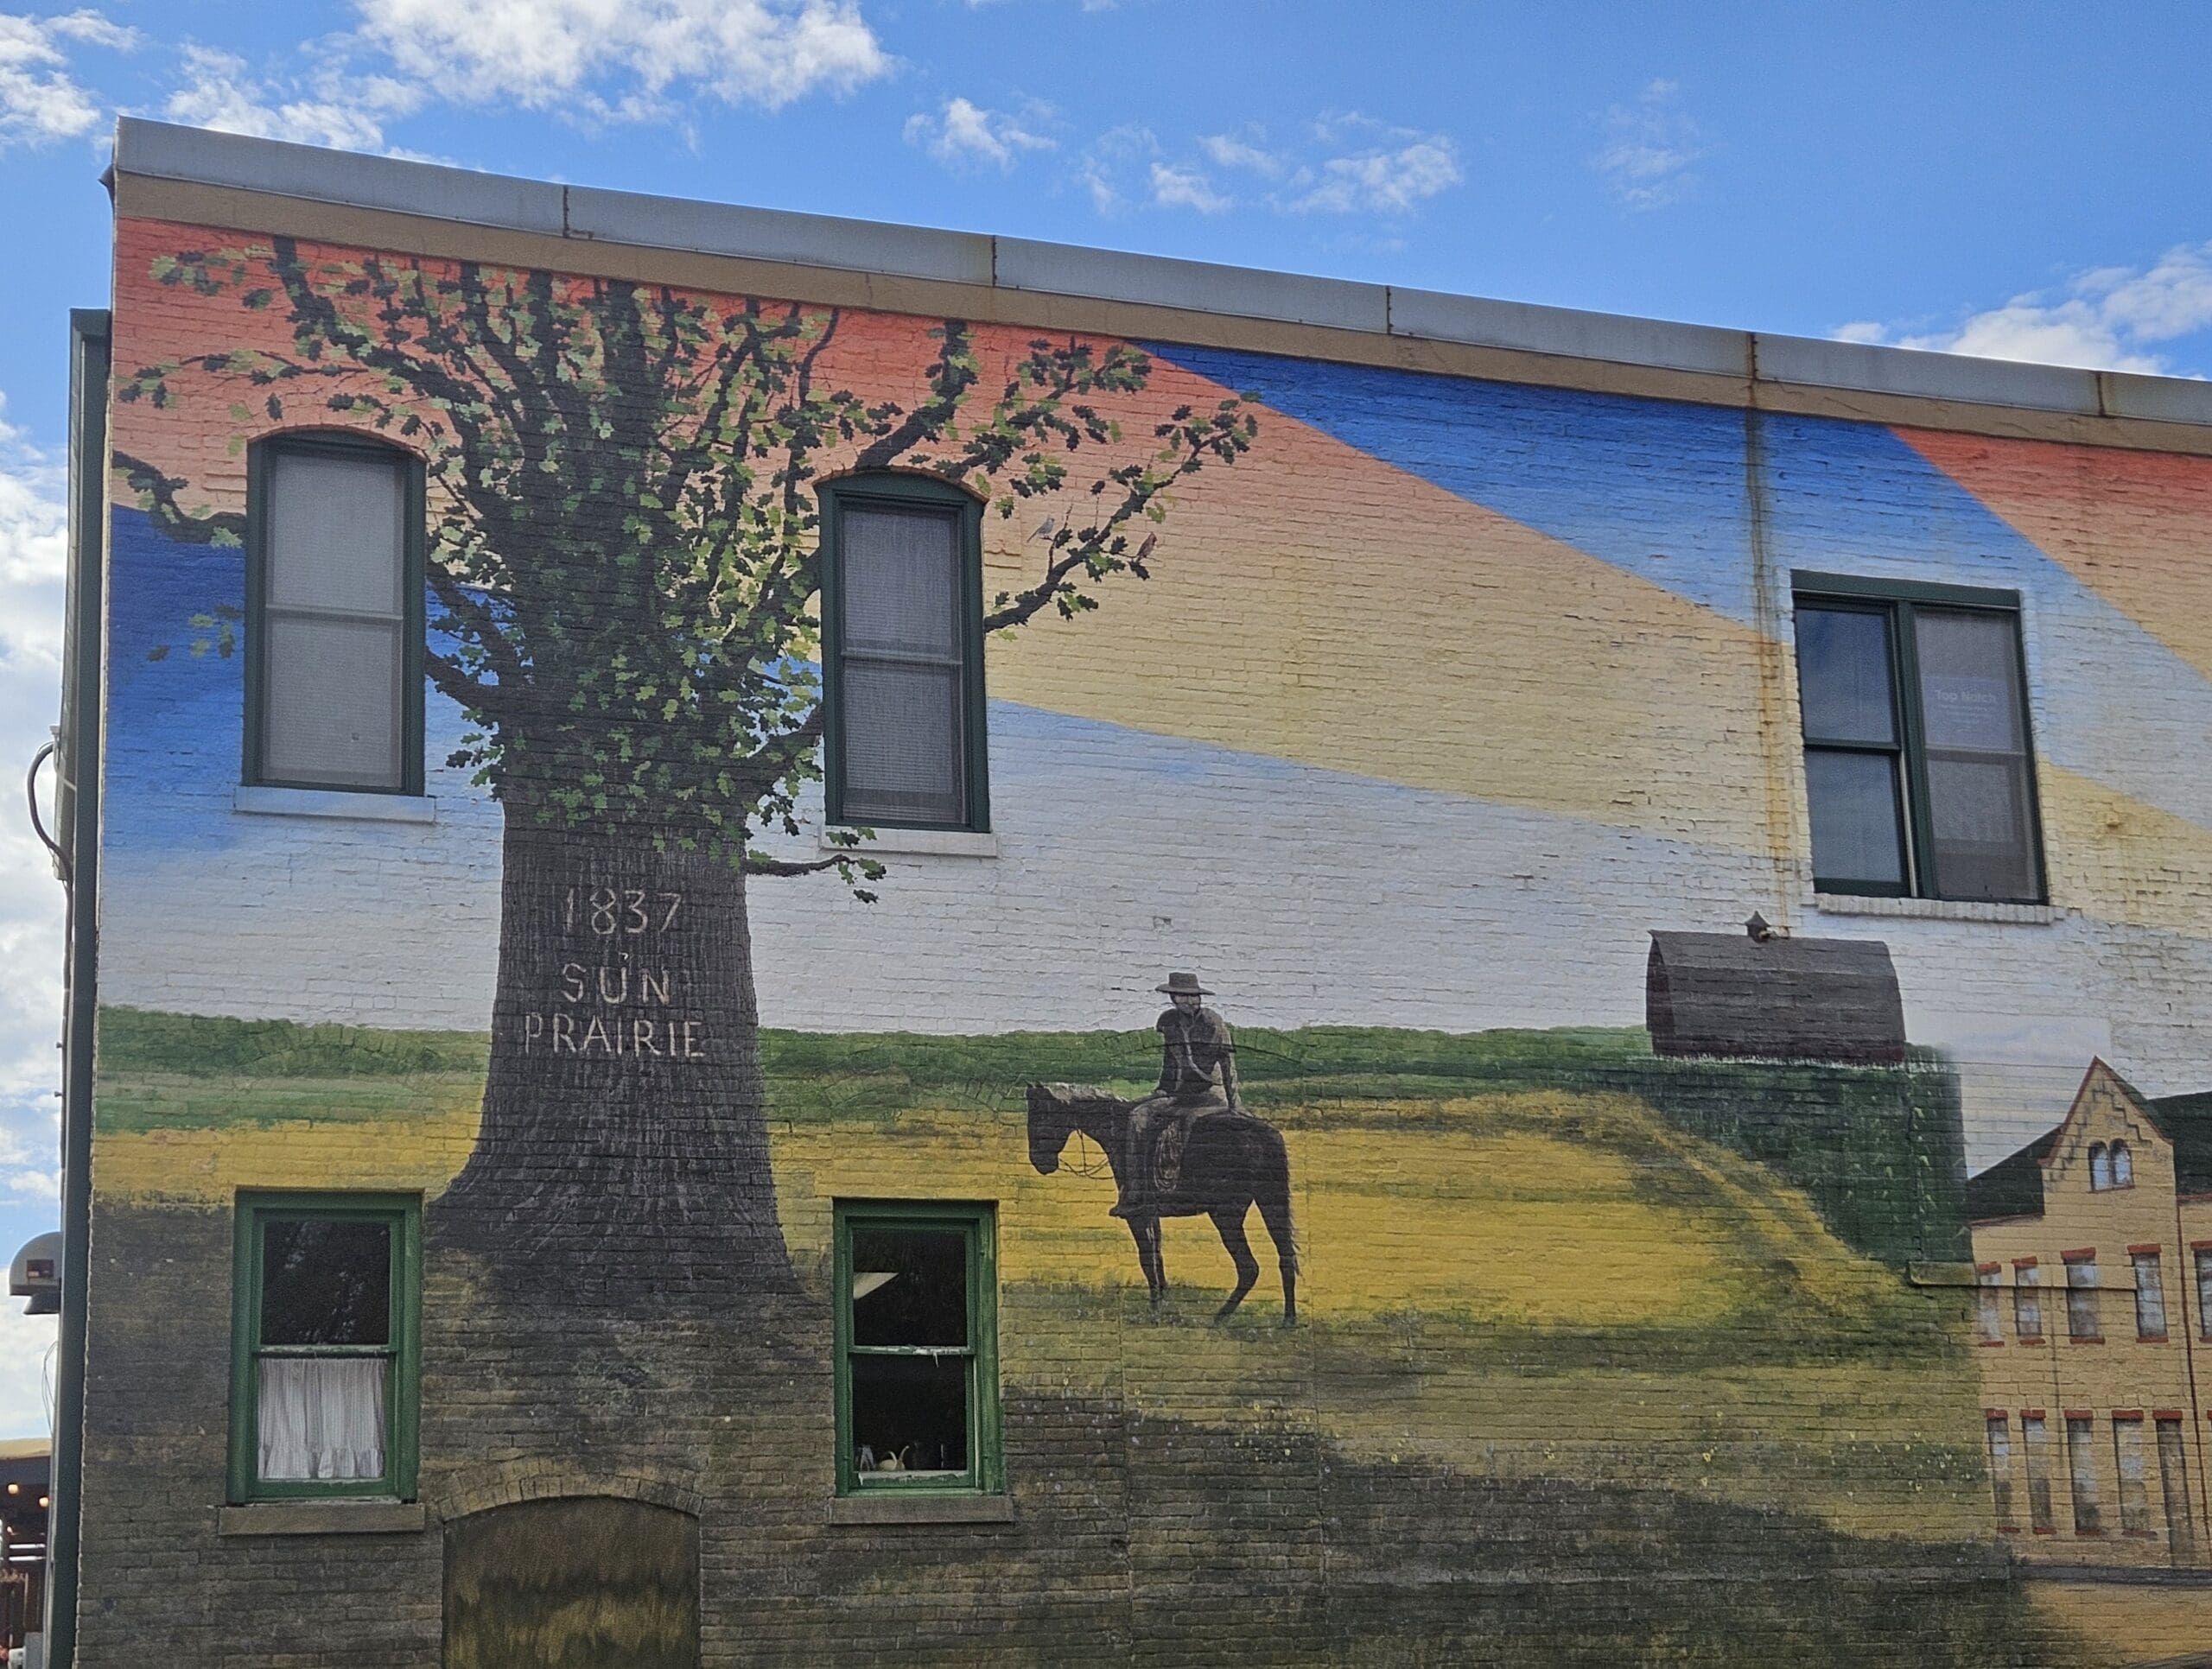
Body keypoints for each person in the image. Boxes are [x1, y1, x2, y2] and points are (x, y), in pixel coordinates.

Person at [1112, 972, 1243, 1217]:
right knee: (1137, 1116)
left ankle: (1177, 1183)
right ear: (1173, 998)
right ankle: (1135, 1191)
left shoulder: (1213, 1023)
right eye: (1183, 996)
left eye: (1193, 997)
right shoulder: (1168, 1022)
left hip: (1210, 1095)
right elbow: (1170, 1061)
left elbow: (1228, 1066)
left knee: (1185, 1125)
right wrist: (1161, 1089)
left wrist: (1235, 1104)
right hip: (1179, 1093)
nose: (1190, 1001)